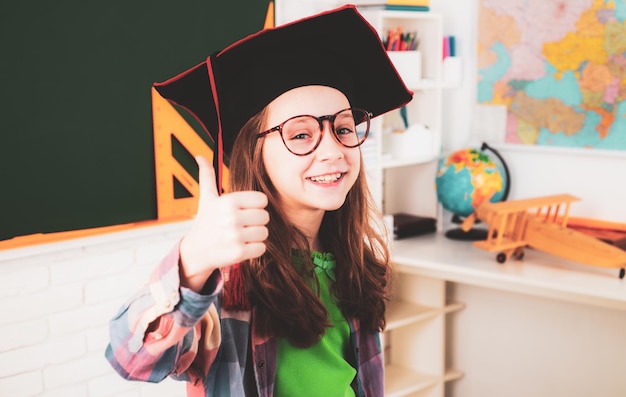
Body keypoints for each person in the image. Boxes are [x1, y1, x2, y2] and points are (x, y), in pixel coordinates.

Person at [105, 5, 412, 396]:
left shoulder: (352, 260)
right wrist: (193, 260)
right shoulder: (225, 280)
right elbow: (131, 358)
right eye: (301, 135)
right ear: (255, 154)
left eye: (343, 128)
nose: (334, 151)